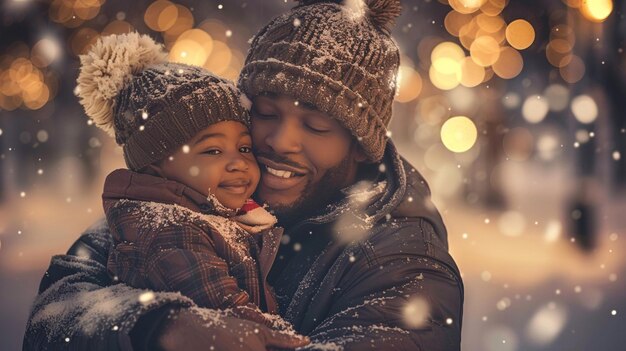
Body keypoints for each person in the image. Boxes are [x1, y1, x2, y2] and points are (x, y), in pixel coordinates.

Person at [24, 1, 464, 350]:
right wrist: (159, 326)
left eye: (316, 126)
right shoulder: (183, 196)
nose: (279, 140)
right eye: (265, 112)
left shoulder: (406, 265)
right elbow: (51, 317)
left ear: (360, 147)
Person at [73, 31, 304, 339]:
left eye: (245, 148)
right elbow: (236, 326)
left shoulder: (216, 213)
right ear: (156, 168)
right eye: (213, 151)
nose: (238, 163)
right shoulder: (169, 232)